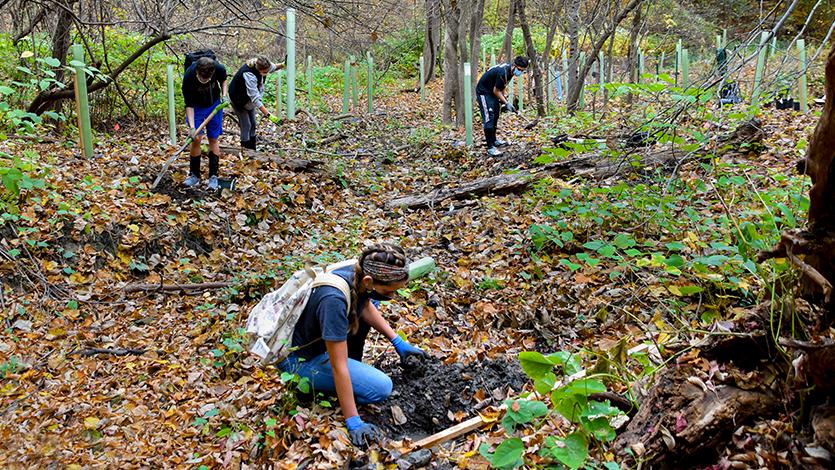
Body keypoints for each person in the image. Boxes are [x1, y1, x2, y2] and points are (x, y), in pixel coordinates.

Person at [277, 243, 428, 448]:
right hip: (300, 361)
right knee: (381, 387)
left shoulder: (358, 271)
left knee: (374, 302)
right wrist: (353, 421)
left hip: (319, 341)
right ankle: (310, 387)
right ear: (369, 280)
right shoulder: (334, 300)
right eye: (389, 291)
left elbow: (364, 305)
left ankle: (349, 371)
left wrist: (398, 342)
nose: (392, 296)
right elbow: (339, 367)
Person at [182, 56, 228, 189]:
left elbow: (224, 80)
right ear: (197, 72)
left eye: (207, 80)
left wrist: (224, 95)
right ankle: (194, 175)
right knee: (196, 139)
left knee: (213, 138)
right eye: (202, 79)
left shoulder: (218, 68)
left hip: (214, 105)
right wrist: (192, 127)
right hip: (196, 107)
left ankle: (213, 176)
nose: (204, 81)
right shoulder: (189, 76)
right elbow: (189, 105)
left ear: (212, 73)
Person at [475, 56, 528, 157]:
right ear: (514, 66)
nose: (520, 72)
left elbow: (501, 87)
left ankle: (494, 141)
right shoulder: (503, 72)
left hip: (493, 92)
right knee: (489, 117)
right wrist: (506, 103)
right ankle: (490, 147)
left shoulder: (510, 72)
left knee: (495, 115)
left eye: (522, 71)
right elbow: (496, 90)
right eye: (520, 70)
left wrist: (503, 100)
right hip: (484, 92)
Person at [228, 56, 284, 151]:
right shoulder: (249, 74)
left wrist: (283, 64)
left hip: (249, 101)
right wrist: (269, 115)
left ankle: (253, 150)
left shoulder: (263, 65)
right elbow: (255, 98)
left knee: (253, 124)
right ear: (259, 70)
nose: (266, 74)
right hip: (238, 100)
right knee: (246, 125)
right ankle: (245, 151)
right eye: (265, 72)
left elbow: (274, 67)